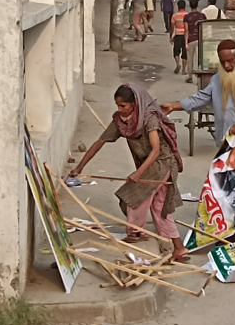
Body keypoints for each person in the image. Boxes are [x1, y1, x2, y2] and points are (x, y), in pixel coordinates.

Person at [70, 84, 189, 262]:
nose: (120, 110)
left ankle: (137, 232)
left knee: (132, 196)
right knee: (159, 208)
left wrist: (138, 174)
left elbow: (156, 150)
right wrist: (80, 167)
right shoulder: (119, 120)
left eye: (124, 106)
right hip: (149, 165)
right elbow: (99, 142)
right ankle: (179, 248)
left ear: (135, 104)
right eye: (118, 106)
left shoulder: (149, 119)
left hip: (163, 163)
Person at [161, 39, 235, 143]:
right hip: (225, 141)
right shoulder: (217, 80)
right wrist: (173, 106)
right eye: (223, 62)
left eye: (230, 61)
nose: (227, 66)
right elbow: (200, 98)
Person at [170, 0, 189, 74]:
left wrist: (171, 36)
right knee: (185, 53)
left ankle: (178, 64)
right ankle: (184, 70)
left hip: (178, 35)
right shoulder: (187, 15)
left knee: (176, 51)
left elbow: (172, 27)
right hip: (186, 36)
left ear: (178, 6)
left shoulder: (175, 16)